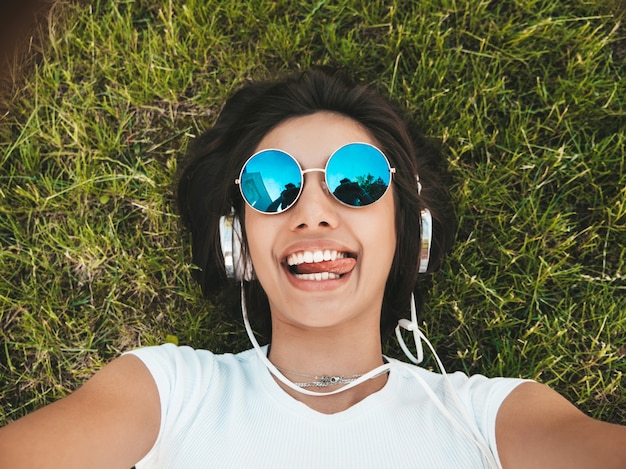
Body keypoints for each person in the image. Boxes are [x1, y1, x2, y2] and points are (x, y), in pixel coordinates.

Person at [0, 69, 624, 469]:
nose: (314, 214)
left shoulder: (489, 420)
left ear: (410, 231)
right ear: (236, 242)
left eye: (358, 180)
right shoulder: (168, 393)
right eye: (273, 186)